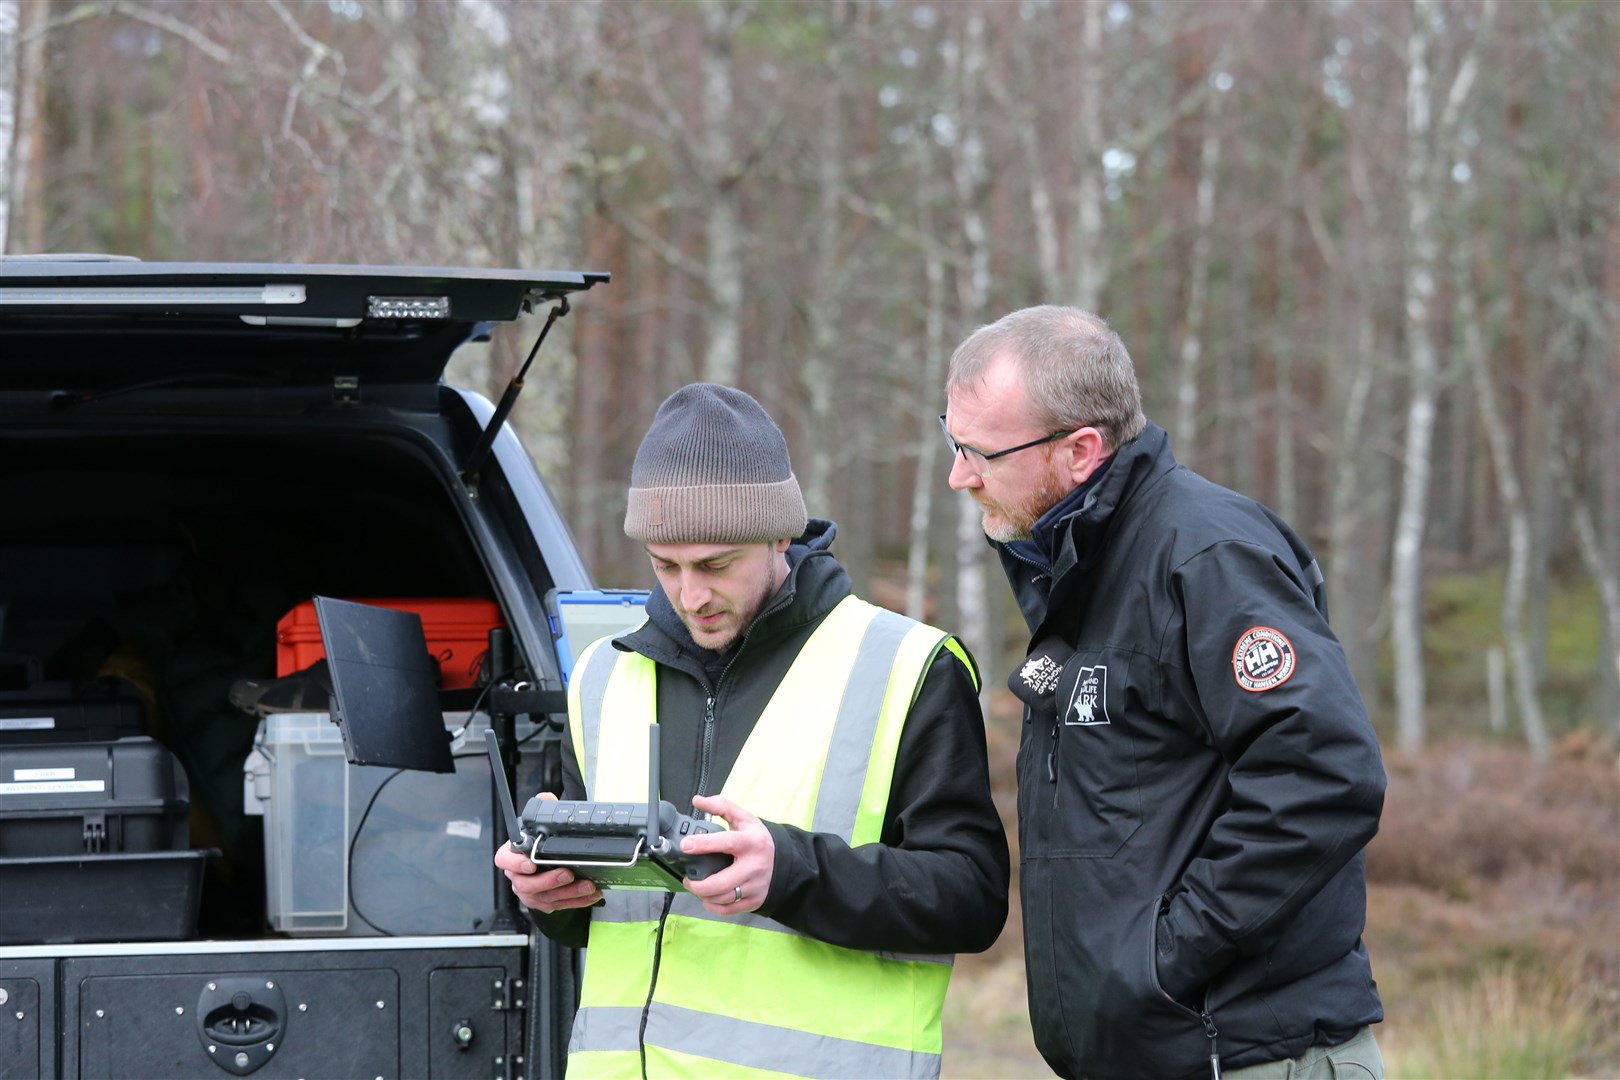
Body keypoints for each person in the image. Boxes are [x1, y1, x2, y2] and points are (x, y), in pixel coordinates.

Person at [495, 383, 1010, 1079]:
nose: (690, 596)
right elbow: (610, 912)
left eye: (715, 565)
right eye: (664, 566)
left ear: (780, 534)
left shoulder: (906, 667)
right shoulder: (600, 676)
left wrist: (792, 872)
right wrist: (550, 895)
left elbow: (970, 898)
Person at [941, 306, 1386, 1080]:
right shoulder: (1078, 567)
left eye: (978, 451)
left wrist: (1165, 960)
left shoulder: (1208, 555)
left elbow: (1323, 776)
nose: (959, 475)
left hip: (1247, 1056)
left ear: (1080, 451)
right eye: (951, 442)